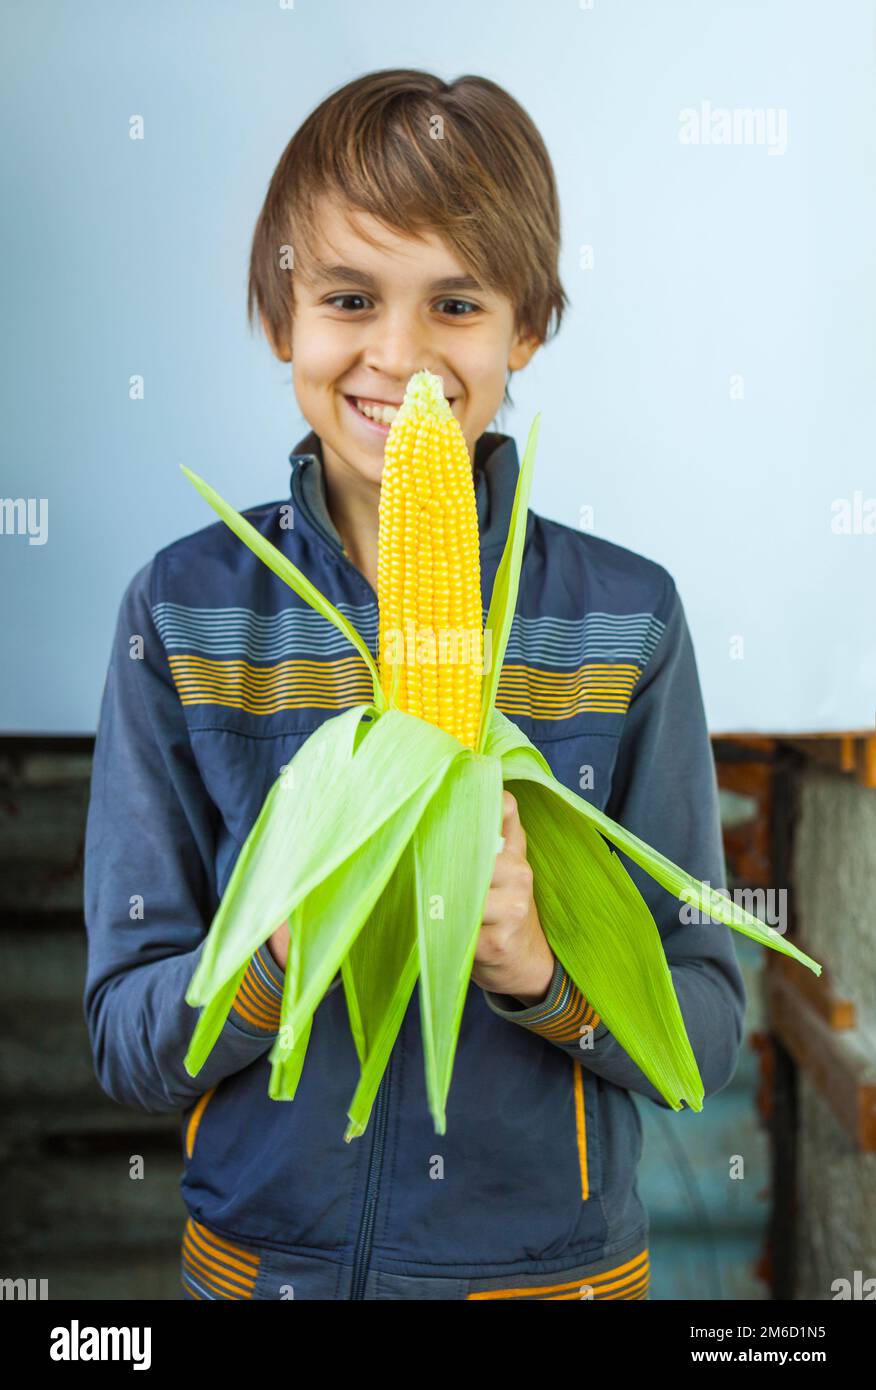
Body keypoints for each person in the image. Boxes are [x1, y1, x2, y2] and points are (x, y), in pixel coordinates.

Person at [83, 68, 745, 1301]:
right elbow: (125, 1039)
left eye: (455, 302)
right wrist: (279, 942)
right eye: (348, 298)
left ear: (526, 330)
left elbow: (702, 1027)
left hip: (549, 1285)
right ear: (283, 320)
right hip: (260, 1278)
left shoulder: (624, 619)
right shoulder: (181, 615)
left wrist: (544, 971)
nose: (399, 356)